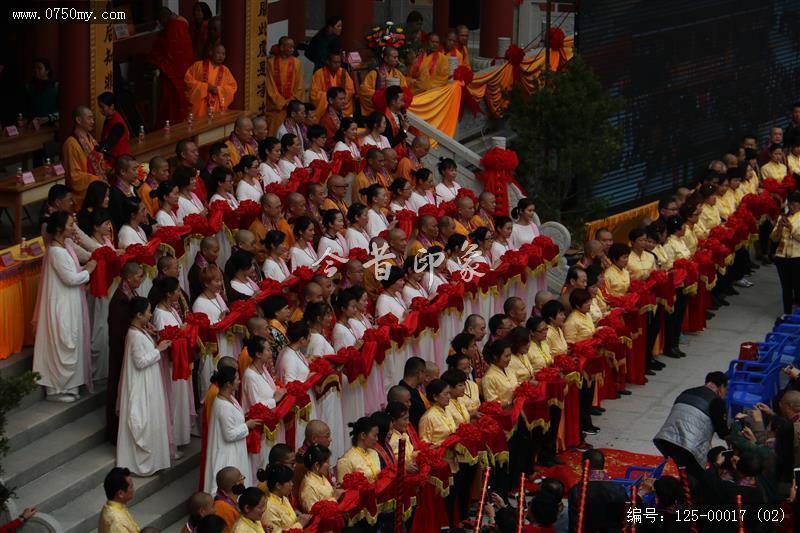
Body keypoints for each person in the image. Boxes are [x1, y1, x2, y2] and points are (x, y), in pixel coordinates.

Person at [33, 212, 96, 402]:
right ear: (60, 229)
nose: (73, 227)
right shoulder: (55, 252)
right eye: (70, 224)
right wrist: (89, 271)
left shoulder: (66, 246)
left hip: (71, 300)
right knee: (62, 339)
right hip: (61, 303)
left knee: (72, 339)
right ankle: (56, 388)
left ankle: (69, 384)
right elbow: (70, 278)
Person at [117, 297, 172, 476]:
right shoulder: (134, 335)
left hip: (149, 380)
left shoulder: (139, 331)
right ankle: (142, 463)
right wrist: (159, 349)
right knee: (145, 418)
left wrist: (153, 337)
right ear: (139, 315)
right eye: (148, 312)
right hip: (142, 383)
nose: (150, 314)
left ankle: (155, 460)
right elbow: (140, 361)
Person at [654, 371, 730, 481]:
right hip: (689, 446)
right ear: (722, 387)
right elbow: (722, 432)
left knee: (684, 471)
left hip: (666, 439)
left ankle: (684, 488)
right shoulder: (717, 401)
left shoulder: (687, 391)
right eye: (726, 390)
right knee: (697, 478)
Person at [151, 276, 194, 450]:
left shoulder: (171, 309)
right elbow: (166, 341)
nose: (179, 293)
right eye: (176, 290)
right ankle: (171, 443)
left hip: (179, 363)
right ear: (168, 294)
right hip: (171, 366)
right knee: (173, 403)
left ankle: (179, 437)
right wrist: (183, 332)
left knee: (179, 401)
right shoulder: (160, 314)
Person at [203, 366, 260, 494]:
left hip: (236, 448)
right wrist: (247, 425)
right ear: (228, 384)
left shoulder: (230, 398)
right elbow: (229, 434)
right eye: (237, 379)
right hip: (228, 452)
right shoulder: (223, 406)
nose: (239, 381)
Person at [242, 336, 285, 480]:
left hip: (272, 422)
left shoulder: (263, 369)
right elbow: (256, 407)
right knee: (264, 461)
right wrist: (275, 399)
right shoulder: (250, 376)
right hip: (260, 427)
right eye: (267, 349)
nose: (270, 352)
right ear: (258, 354)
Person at [149, 7, 193, 125]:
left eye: (160, 20)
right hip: (187, 70)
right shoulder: (182, 25)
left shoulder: (172, 28)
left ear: (163, 18)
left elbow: (163, 52)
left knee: (172, 103)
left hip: (173, 74)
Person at [567, 450, 628, 532]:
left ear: (584, 466)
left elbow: (575, 525)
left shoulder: (577, 491)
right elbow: (630, 517)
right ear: (603, 465)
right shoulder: (618, 489)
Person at [63, 106, 106, 208]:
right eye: (89, 118)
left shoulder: (91, 139)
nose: (92, 121)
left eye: (93, 119)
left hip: (97, 190)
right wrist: (97, 179)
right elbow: (75, 176)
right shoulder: (71, 144)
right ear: (78, 120)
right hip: (83, 195)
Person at [185, 43, 238, 119]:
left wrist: (219, 90)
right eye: (218, 53)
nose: (221, 56)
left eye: (223, 54)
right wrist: (206, 87)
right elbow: (188, 80)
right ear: (211, 53)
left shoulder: (226, 71)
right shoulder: (198, 65)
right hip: (200, 105)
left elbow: (232, 87)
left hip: (217, 105)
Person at [266, 36, 305, 132]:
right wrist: (281, 103)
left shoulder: (297, 63)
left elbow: (299, 85)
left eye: (293, 47)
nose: (292, 49)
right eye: (290, 47)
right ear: (282, 48)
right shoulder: (270, 63)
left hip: (291, 108)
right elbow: (270, 86)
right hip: (276, 108)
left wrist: (291, 102)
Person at [771, 192, 800, 315]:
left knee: (798, 287)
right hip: (782, 256)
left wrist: (791, 228)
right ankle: (787, 313)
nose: (791, 206)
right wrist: (779, 227)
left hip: (797, 257)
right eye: (789, 204)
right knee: (786, 287)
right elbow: (774, 239)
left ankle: (797, 314)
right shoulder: (782, 217)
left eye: (794, 204)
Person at [360, 46, 409, 116]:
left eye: (397, 57)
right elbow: (364, 90)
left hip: (394, 109)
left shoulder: (398, 74)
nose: (397, 60)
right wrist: (381, 95)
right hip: (379, 112)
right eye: (394, 57)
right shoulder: (374, 73)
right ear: (386, 58)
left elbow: (404, 89)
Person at [259, 464, 308, 530]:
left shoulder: (284, 498)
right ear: (278, 485)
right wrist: (300, 524)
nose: (292, 484)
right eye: (289, 481)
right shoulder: (268, 508)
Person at [310, 50, 354, 121]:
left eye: (339, 62)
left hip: (342, 106)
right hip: (325, 107)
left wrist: (340, 99)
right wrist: (330, 98)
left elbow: (350, 90)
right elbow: (314, 94)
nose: (337, 65)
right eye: (335, 62)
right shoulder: (319, 74)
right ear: (328, 62)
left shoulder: (343, 73)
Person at [337, 417, 382, 482]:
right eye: (375, 435)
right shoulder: (346, 460)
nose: (377, 439)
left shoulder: (374, 453)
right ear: (363, 435)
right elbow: (344, 489)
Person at [298, 444, 341, 512]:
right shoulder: (308, 487)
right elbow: (314, 513)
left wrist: (334, 489)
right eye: (327, 462)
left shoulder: (320, 476)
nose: (329, 465)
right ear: (317, 465)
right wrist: (334, 498)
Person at [99, 467, 139, 533]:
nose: (133, 489)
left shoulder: (113, 506)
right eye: (131, 487)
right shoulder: (117, 523)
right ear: (120, 494)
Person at [96, 92, 131, 167]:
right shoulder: (108, 119)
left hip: (120, 162)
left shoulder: (118, 124)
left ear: (111, 106)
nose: (100, 110)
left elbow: (108, 144)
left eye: (102, 107)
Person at [26, 57, 59, 129]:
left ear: (47, 71)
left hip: (52, 125)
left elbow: (63, 109)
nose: (36, 70)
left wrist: (48, 118)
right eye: (35, 68)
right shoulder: (30, 87)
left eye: (39, 68)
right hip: (34, 125)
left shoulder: (55, 86)